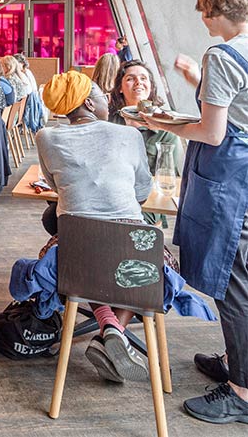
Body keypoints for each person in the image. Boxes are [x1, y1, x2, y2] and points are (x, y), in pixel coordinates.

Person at [139, 0, 248, 423]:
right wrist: (197, 80)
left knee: (232, 282)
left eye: (205, 11)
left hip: (229, 173)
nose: (202, 19)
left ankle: (241, 391)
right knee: (241, 270)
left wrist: (161, 124)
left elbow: (211, 131)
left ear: (218, 11)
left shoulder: (221, 52)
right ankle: (235, 361)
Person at [38, 70, 155, 383]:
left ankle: (106, 324)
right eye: (101, 94)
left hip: (76, 257)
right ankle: (115, 331)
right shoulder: (129, 135)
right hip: (133, 255)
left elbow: (53, 184)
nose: (107, 98)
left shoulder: (47, 137)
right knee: (137, 256)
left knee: (81, 245)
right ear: (89, 103)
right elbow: (142, 191)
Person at [109, 59, 184, 227]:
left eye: (144, 78)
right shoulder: (108, 120)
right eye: (130, 78)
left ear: (151, 86)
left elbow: (169, 177)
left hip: (146, 201)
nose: (138, 83)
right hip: (109, 194)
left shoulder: (166, 126)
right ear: (120, 88)